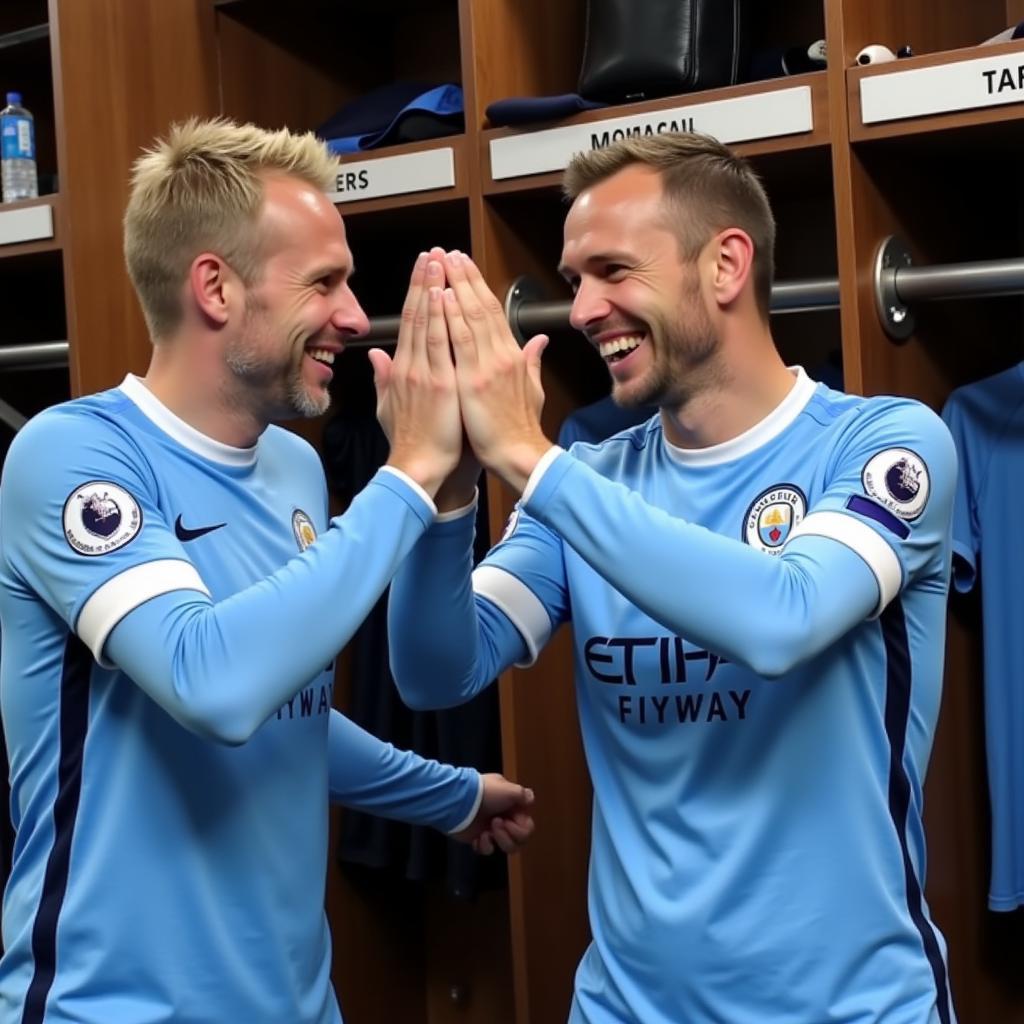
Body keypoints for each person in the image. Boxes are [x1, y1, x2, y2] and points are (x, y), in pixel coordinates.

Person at [386, 132, 959, 1023]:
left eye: (612, 271)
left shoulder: (885, 443)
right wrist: (445, 490)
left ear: (726, 264)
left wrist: (531, 460)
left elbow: (785, 617)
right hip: (626, 1005)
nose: (580, 310)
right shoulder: (591, 482)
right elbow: (436, 669)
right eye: (575, 279)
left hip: (849, 1006)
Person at [0, 117, 534, 1024]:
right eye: (323, 282)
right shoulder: (75, 457)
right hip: (112, 1008)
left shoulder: (293, 466)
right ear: (215, 286)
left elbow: (290, 715)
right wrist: (406, 477)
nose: (356, 317)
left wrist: (446, 795)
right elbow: (214, 684)